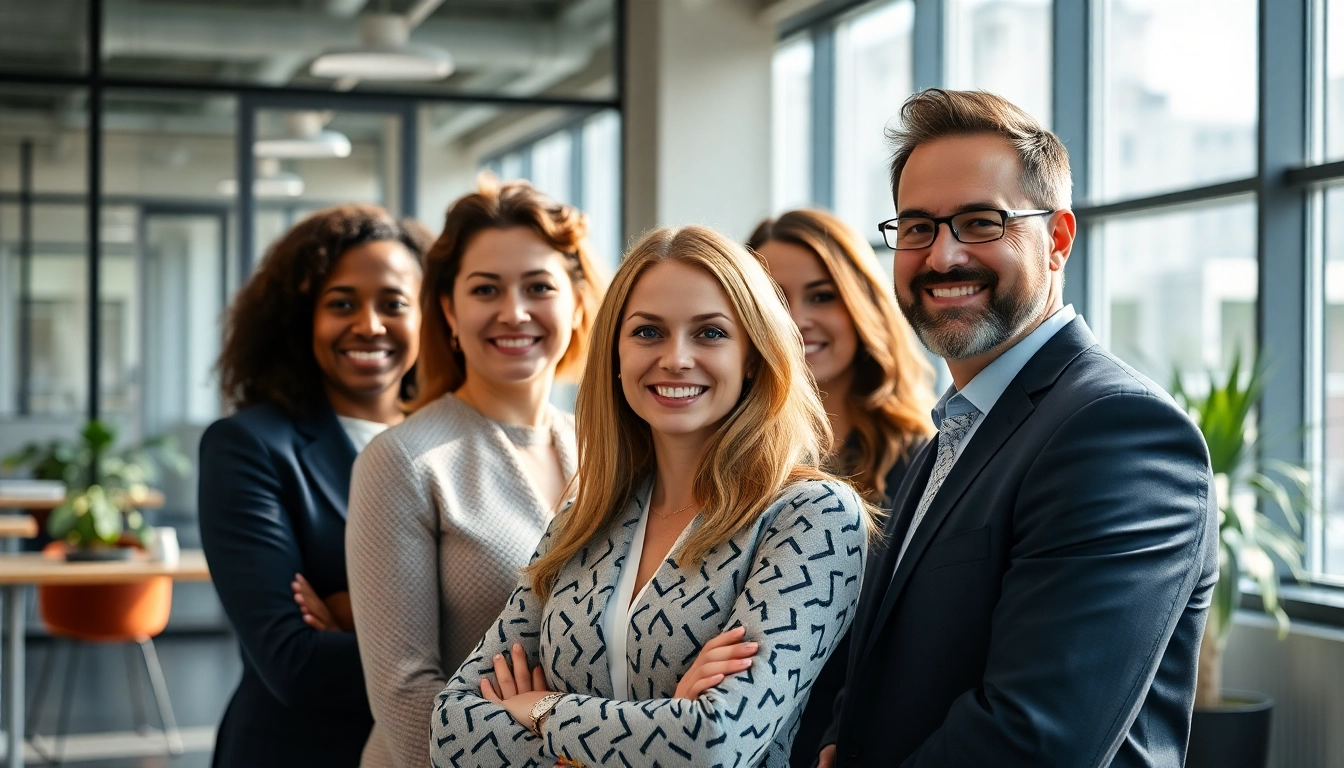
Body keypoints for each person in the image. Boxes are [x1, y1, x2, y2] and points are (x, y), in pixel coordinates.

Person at [817, 89, 1218, 768]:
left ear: (1058, 239)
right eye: (916, 227)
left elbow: (1036, 739)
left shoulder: (1118, 431)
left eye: (979, 222)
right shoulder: (957, 426)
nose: (942, 257)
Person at [430, 225, 876, 768]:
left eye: (710, 333)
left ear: (754, 355)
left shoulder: (812, 517)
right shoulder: (584, 517)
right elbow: (453, 732)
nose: (676, 359)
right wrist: (662, 722)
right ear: (615, 352)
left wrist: (543, 709)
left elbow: (713, 742)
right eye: (648, 333)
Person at [345, 176, 604, 768]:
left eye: (538, 286)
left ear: (576, 300)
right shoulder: (403, 461)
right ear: (449, 310)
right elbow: (406, 701)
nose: (513, 312)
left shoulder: (606, 453)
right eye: (486, 289)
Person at [198, 205, 429, 768]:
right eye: (342, 303)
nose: (370, 325)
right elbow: (295, 665)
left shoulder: (451, 440)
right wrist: (476, 658)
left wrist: (355, 614)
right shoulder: (248, 446)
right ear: (301, 319)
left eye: (394, 303)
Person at [748, 209, 935, 766]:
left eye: (822, 295)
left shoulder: (926, 460)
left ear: (862, 305)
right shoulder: (720, 462)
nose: (797, 320)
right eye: (776, 300)